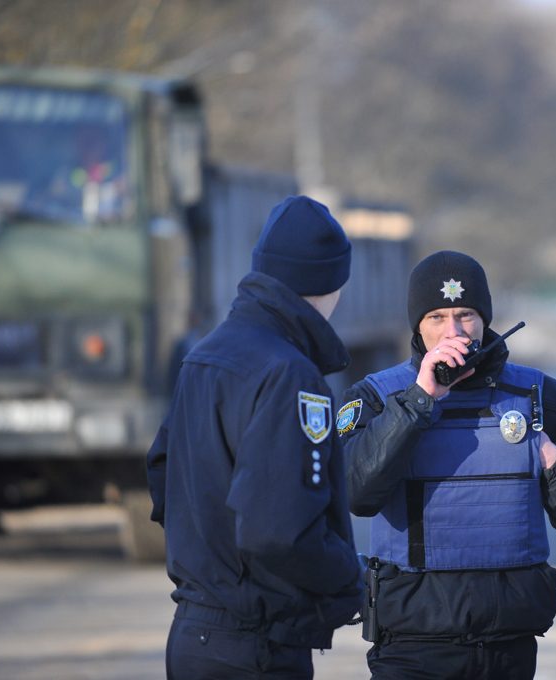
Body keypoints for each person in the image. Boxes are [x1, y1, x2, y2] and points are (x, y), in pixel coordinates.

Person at [339, 250, 556, 679]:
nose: (452, 331)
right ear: (417, 325)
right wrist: (419, 401)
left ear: (485, 319)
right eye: (436, 317)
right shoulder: (377, 397)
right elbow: (355, 494)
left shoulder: (538, 396)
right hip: (412, 645)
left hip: (506, 648)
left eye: (465, 315)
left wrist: (553, 459)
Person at [146, 195, 363, 680]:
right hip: (255, 645)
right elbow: (279, 533)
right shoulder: (290, 374)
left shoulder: (205, 355)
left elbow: (162, 473)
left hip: (194, 634)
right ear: (332, 283)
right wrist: (352, 576)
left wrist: (212, 557)